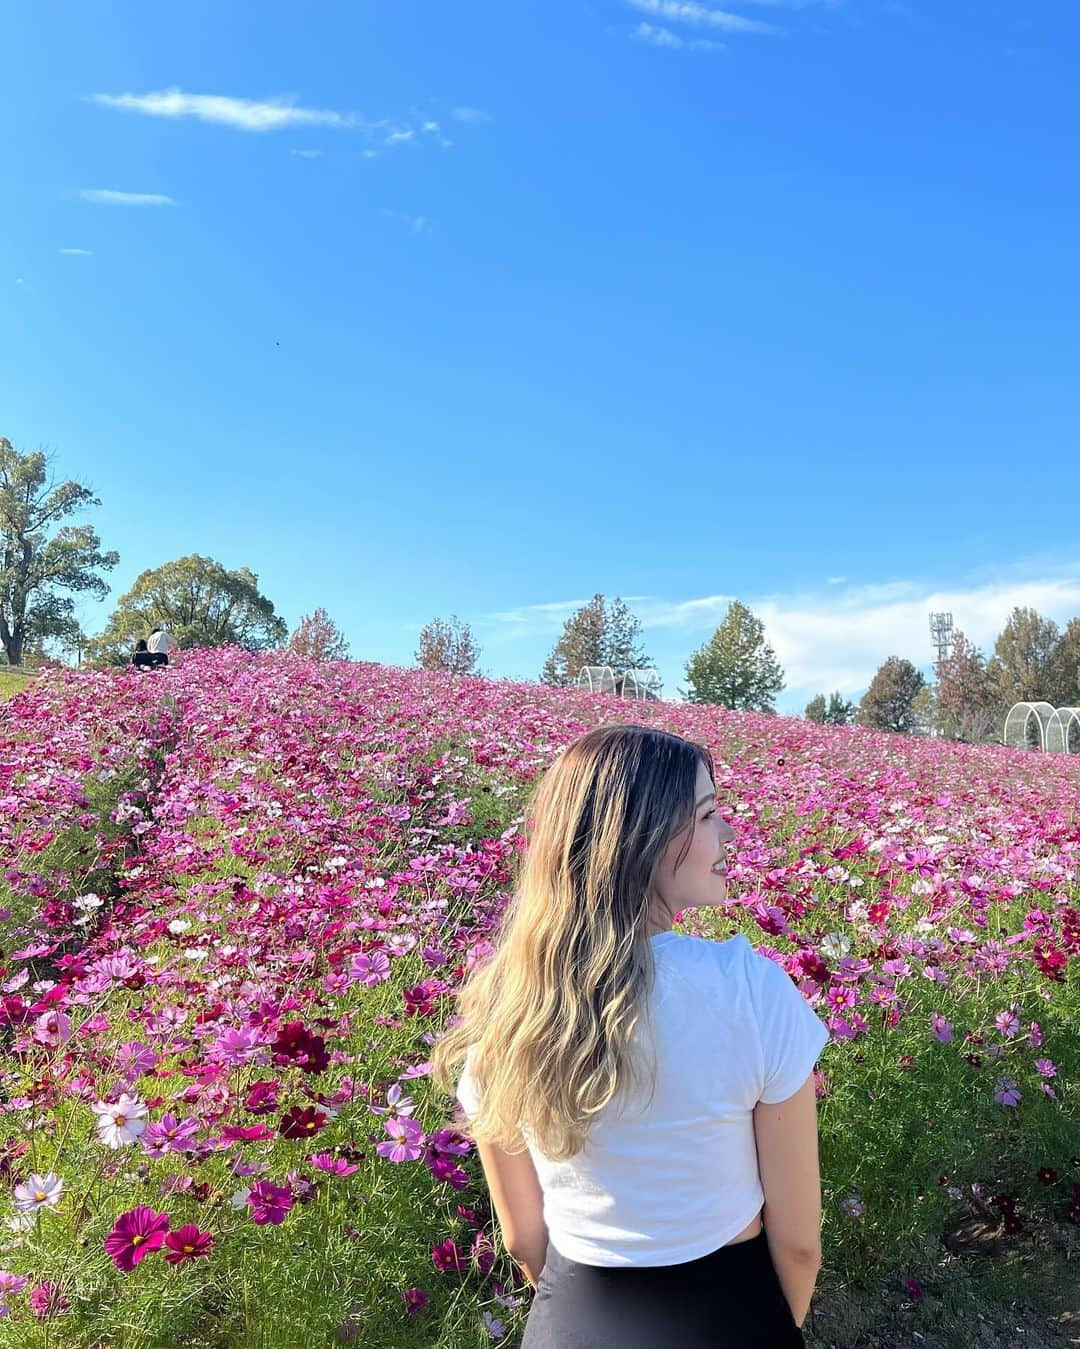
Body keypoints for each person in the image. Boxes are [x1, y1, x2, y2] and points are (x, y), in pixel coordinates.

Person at [432, 725, 828, 1348]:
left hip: (576, 1321)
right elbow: (800, 1244)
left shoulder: (509, 1010)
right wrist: (775, 1328)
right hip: (728, 1318)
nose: (728, 834)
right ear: (640, 838)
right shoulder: (749, 991)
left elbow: (522, 1239)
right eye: (707, 815)